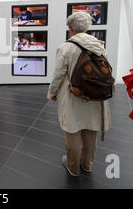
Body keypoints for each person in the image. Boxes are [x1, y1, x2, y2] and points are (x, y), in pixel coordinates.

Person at [47, 11, 111, 177]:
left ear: (70, 28)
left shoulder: (65, 48)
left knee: (73, 129)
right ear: (87, 27)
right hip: (96, 94)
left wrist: (52, 92)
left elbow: (59, 74)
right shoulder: (99, 45)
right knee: (90, 128)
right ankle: (87, 164)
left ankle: (73, 167)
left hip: (73, 94)